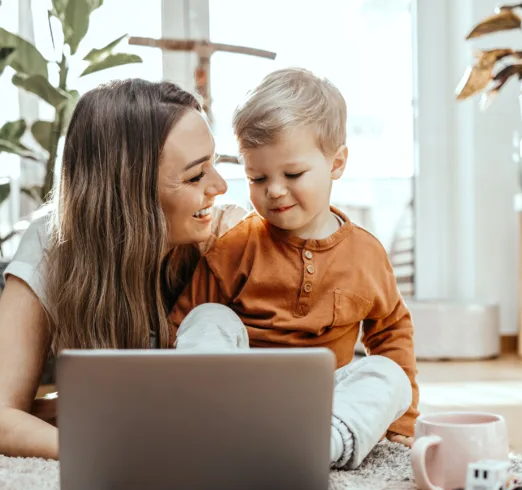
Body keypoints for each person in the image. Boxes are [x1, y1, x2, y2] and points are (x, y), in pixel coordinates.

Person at [0, 79, 245, 459]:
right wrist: (110, 451)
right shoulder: (54, 243)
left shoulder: (229, 235)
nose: (220, 186)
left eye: (214, 164)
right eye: (196, 176)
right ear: (131, 192)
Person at [169, 68, 419, 468]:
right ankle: (208, 422)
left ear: (337, 163)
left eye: (293, 174)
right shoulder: (236, 246)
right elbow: (184, 325)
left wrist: (401, 425)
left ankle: (324, 446)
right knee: (208, 316)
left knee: (389, 374)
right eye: (257, 177)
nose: (274, 190)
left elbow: (391, 333)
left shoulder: (367, 256)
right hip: (239, 399)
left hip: (323, 404)